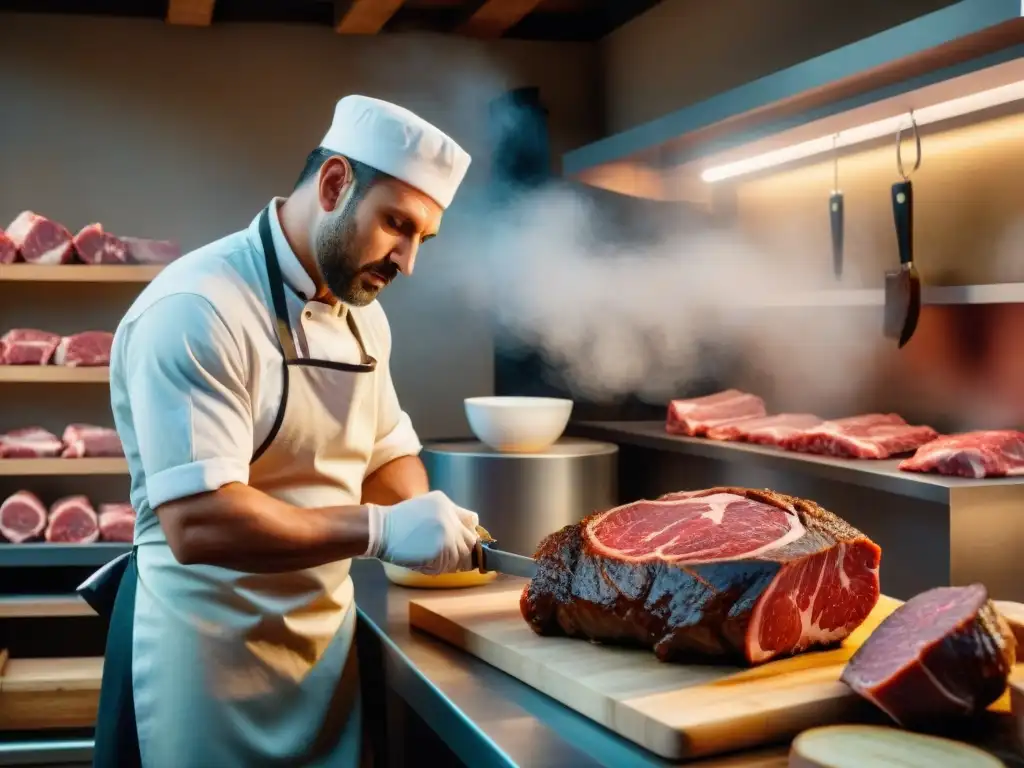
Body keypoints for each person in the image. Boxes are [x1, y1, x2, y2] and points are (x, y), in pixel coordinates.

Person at [80, 95, 478, 767]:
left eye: (421, 239)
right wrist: (383, 532)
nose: (407, 261)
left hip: (320, 655)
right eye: (396, 225)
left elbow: (383, 452)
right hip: (200, 663)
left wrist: (423, 512)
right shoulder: (199, 308)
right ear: (333, 185)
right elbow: (200, 523)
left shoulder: (361, 315)